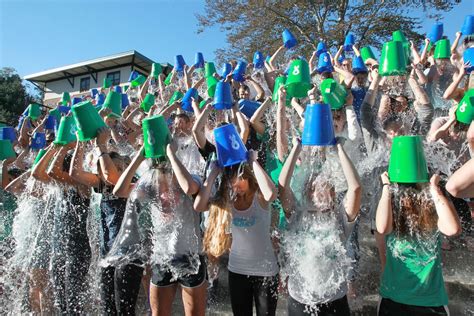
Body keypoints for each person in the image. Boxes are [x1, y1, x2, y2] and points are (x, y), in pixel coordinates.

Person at [113, 139, 207, 316]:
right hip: (162, 257)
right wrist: (139, 157)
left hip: (191, 256)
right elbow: (119, 191)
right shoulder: (150, 187)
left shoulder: (189, 178)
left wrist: (171, 154)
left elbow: (189, 188)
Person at [279, 137, 361, 315]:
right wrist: (296, 148)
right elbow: (283, 186)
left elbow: (355, 188)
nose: (326, 189)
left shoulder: (340, 218)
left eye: (328, 186)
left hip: (334, 301)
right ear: (308, 190)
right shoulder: (297, 214)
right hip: (300, 300)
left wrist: (340, 149)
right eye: (318, 185)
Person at [194, 149, 279, 316]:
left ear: (247, 177)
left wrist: (253, 162)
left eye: (239, 182)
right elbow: (198, 206)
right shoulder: (227, 202)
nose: (236, 187)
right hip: (237, 272)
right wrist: (212, 175)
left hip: (266, 272)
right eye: (231, 184)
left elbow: (272, 193)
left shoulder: (259, 197)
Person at [69, 127, 143, 315]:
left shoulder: (135, 184)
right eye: (104, 167)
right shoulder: (102, 185)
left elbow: (114, 178)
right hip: (107, 254)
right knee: (108, 309)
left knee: (125, 310)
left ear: (126, 168)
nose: (107, 171)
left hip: (129, 255)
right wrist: (80, 143)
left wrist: (101, 146)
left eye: (117, 166)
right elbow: (75, 173)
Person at [375, 172, 461, 315]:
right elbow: (382, 228)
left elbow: (453, 229)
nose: (407, 198)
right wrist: (386, 187)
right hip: (393, 301)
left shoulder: (434, 215)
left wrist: (434, 189)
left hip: (431, 302)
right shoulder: (393, 215)